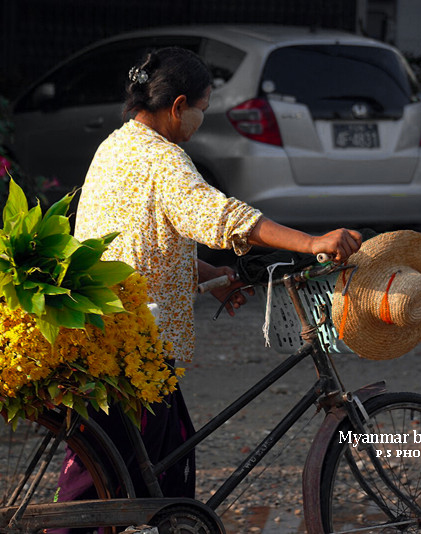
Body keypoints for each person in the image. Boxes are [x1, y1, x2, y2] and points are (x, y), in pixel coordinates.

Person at [56, 47, 362, 503]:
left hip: (117, 339)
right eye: (201, 109)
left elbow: (137, 238)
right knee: (113, 489)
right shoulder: (163, 158)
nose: (200, 121)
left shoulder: (116, 145)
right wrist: (312, 242)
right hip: (133, 350)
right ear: (178, 106)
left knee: (156, 474)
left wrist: (207, 275)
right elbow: (221, 217)